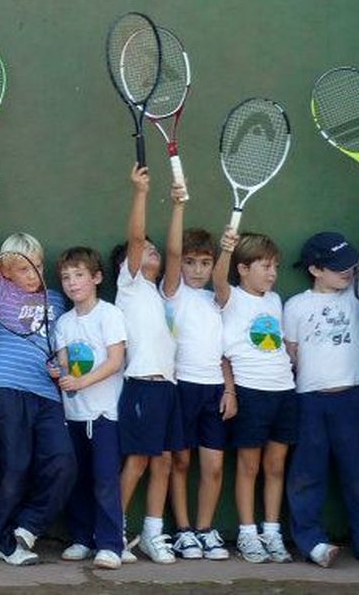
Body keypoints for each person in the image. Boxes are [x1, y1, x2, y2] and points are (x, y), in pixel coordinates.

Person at [283, 184, 359, 568]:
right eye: (337, 267)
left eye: (349, 265)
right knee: (307, 476)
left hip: (352, 399)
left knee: (357, 475)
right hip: (310, 401)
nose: (347, 271)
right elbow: (291, 356)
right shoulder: (295, 306)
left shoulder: (356, 295)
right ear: (314, 269)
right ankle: (311, 541)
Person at [0, 166, 73, 566]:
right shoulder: (0, 291)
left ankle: (26, 528)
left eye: (37, 264)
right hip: (7, 389)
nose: (33, 273)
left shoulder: (58, 300)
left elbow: (62, 346)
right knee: (15, 465)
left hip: (48, 394)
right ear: (8, 270)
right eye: (24, 267)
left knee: (63, 463)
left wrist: (60, 370)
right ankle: (2, 540)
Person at [111, 166, 181, 564]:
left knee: (165, 460)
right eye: (144, 251)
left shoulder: (160, 293)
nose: (150, 250)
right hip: (140, 384)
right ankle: (113, 530)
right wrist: (140, 192)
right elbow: (137, 237)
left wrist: (177, 205)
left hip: (167, 387)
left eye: (154, 250)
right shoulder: (131, 284)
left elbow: (171, 252)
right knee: (136, 462)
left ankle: (153, 532)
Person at [160, 187, 235, 561]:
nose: (198, 270)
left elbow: (224, 353)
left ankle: (206, 530)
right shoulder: (171, 292)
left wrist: (229, 390)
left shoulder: (219, 297)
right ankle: (184, 531)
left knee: (215, 465)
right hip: (180, 387)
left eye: (205, 263)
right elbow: (172, 254)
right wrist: (178, 207)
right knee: (180, 461)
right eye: (191, 262)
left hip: (213, 392)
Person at [213, 229, 293, 564]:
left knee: (275, 466)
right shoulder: (229, 297)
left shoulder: (275, 301)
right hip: (250, 391)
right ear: (243, 268)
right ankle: (248, 533)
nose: (272, 273)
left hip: (285, 391)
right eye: (264, 266)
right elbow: (218, 279)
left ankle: (271, 532)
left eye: (275, 266)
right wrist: (226, 250)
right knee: (249, 466)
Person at [54, 246, 128, 570]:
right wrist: (58, 373)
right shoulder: (63, 323)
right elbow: (64, 367)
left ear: (97, 278)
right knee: (77, 479)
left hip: (105, 416)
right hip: (73, 417)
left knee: (105, 480)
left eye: (79, 275)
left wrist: (81, 383)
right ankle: (82, 539)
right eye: (66, 277)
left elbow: (115, 361)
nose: (72, 283)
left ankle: (110, 544)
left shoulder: (109, 314)